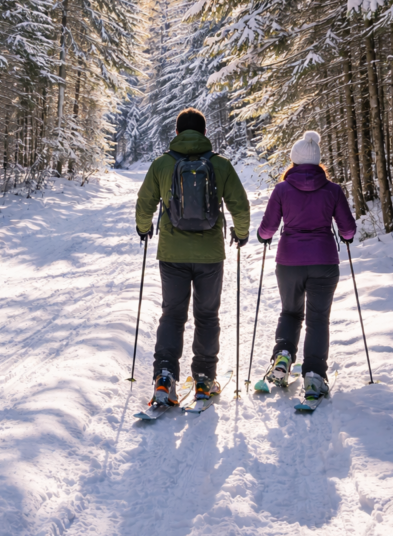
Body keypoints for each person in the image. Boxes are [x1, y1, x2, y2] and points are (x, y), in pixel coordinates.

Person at [135, 108, 251, 406]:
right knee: (207, 315)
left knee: (172, 315)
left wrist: (143, 228)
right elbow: (240, 203)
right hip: (210, 254)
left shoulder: (162, 164)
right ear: (204, 133)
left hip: (172, 253)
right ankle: (203, 379)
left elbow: (145, 202)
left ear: (177, 133)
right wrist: (241, 233)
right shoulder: (220, 165)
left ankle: (164, 376)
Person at [256, 130, 357, 399]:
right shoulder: (333, 190)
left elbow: (267, 229)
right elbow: (347, 230)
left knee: (290, 313)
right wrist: (346, 237)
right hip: (324, 261)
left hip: (289, 261)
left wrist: (261, 237)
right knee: (317, 319)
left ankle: (283, 356)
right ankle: (313, 374)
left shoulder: (281, 190)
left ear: (294, 161)